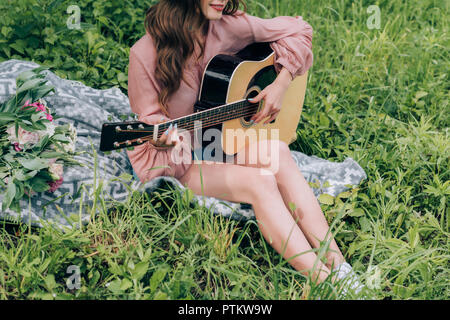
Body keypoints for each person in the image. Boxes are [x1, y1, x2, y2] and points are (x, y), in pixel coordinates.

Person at [127, 0, 362, 291]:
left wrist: (280, 84)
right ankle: (324, 283)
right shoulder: (144, 53)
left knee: (277, 152)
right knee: (259, 181)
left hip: (219, 138)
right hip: (176, 158)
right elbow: (150, 122)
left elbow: (300, 29)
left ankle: (338, 265)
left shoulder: (226, 25)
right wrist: (164, 137)